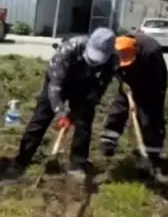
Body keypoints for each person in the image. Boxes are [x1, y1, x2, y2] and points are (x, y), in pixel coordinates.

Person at [10, 27, 118, 180]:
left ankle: (78, 162)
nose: (94, 62)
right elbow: (55, 87)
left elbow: (98, 90)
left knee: (84, 122)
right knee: (41, 118)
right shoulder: (69, 49)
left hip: (86, 86)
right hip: (59, 80)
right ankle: (21, 161)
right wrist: (61, 114)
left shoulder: (113, 60)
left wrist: (77, 112)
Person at [101, 33, 168, 180]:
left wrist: (139, 99)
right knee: (119, 107)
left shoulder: (151, 52)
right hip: (129, 78)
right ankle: (108, 142)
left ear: (135, 50)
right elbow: (114, 71)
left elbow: (156, 83)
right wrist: (125, 85)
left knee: (149, 116)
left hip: (152, 81)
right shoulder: (113, 50)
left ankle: (152, 153)